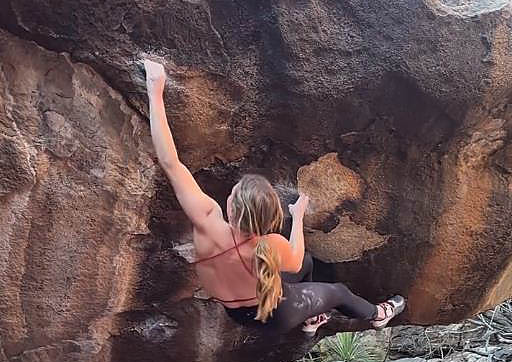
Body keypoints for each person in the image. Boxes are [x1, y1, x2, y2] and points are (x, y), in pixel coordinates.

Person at [144, 60, 405, 335]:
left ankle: (312, 319)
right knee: (337, 291)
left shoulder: (206, 220)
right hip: (277, 314)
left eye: (232, 194)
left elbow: (171, 162)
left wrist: (155, 90)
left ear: (232, 208)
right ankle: (379, 314)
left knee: (306, 265)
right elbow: (294, 256)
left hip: (236, 313)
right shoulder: (270, 246)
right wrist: (299, 216)